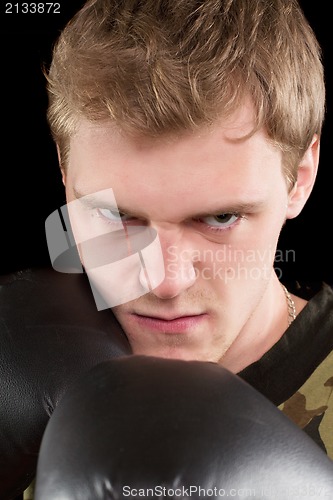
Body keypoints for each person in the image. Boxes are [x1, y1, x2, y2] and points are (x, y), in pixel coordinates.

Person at [44, 0, 332, 457]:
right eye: (118, 216)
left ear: (299, 178)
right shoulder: (29, 377)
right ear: (64, 172)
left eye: (221, 218)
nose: (165, 281)